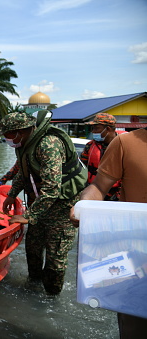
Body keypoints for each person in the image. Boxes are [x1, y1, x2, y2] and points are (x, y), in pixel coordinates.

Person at [70, 127, 147, 338]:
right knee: (134, 327)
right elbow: (98, 187)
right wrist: (84, 206)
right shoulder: (126, 144)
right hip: (137, 260)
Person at [0, 111, 86, 295]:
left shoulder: (48, 145)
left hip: (62, 208)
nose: (7, 140)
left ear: (21, 131)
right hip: (40, 205)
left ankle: (52, 298)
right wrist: (11, 194)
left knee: (55, 261)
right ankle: (33, 288)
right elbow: (25, 173)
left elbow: (52, 189)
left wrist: (28, 216)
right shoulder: (23, 145)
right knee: (33, 250)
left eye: (8, 135)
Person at [79, 112, 121, 200]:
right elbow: (81, 168)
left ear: (108, 129)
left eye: (96, 128)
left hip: (116, 195)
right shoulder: (89, 146)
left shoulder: (123, 146)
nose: (93, 131)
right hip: (93, 192)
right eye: (93, 128)